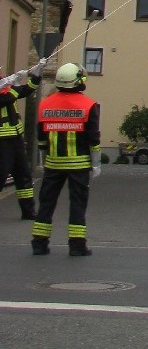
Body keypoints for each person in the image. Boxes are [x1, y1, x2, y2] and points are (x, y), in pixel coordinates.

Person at [31, 62, 101, 257]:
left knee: (46, 203)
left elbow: (41, 138)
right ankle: (77, 246)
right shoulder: (88, 105)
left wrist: (45, 157)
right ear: (78, 81)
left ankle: (39, 243)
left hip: (53, 163)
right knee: (78, 203)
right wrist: (96, 163)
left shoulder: (45, 104)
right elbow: (93, 139)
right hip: (79, 165)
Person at [0, 59, 44, 219]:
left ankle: (28, 210)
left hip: (16, 139)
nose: (2, 75)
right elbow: (8, 98)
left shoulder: (6, 89)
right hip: (2, 141)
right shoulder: (6, 92)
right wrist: (13, 81)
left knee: (24, 175)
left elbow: (26, 90)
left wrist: (37, 74)